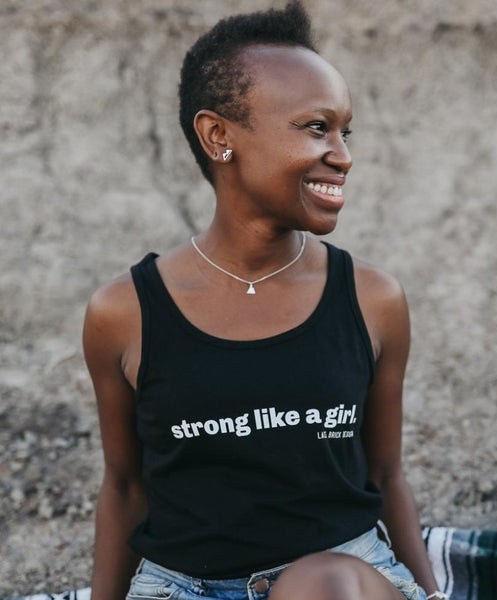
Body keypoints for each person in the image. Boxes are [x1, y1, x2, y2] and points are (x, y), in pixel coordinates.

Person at [83, 2, 445, 599]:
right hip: (182, 586)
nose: (343, 154)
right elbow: (124, 487)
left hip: (343, 579)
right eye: (314, 128)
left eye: (344, 130)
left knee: (319, 583)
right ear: (219, 136)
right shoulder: (123, 313)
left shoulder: (371, 299)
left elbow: (385, 474)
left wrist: (431, 595)